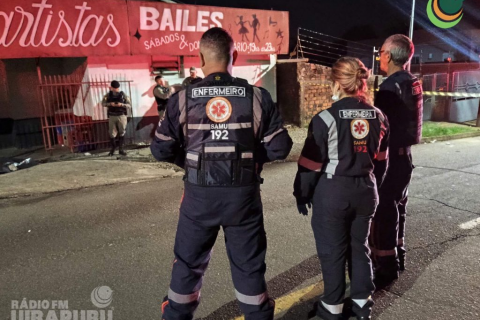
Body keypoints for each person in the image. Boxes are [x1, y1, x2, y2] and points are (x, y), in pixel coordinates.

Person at [151, 27, 293, 320]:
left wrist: (190, 161)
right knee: (249, 268)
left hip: (198, 197)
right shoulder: (257, 97)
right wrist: (252, 160)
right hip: (243, 198)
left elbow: (160, 149)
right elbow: (280, 147)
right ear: (234, 56)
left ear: (200, 57)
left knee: (188, 266)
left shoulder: (181, 99)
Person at [293, 57, 389, 320]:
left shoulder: (325, 118)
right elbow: (381, 162)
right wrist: (371, 188)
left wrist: (301, 194)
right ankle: (362, 304)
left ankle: (332, 308)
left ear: (336, 82)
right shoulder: (378, 116)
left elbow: (310, 166)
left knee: (332, 251)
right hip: (366, 191)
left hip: (334, 193)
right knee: (360, 247)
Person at [369, 34, 423, 287]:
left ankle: (386, 267)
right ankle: (399, 254)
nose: (380, 56)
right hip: (406, 156)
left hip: (390, 159)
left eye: (381, 52)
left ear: (388, 56)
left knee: (384, 211)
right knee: (399, 206)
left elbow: (381, 130)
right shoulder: (412, 81)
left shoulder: (390, 87)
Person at [102, 80, 131, 156]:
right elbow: (103, 104)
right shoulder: (108, 95)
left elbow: (129, 105)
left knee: (122, 132)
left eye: (116, 88)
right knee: (112, 133)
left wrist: (121, 105)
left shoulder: (123, 95)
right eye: (114, 88)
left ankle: (121, 149)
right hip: (112, 116)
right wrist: (109, 104)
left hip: (121, 115)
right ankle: (113, 149)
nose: (115, 89)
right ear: (111, 87)